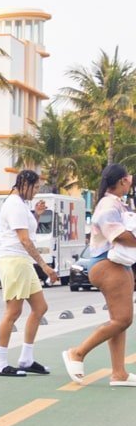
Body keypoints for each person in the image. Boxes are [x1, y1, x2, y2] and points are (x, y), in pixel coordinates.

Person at [64, 164, 136, 386]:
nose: (131, 180)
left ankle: (119, 373)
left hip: (112, 264)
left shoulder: (115, 203)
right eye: (128, 178)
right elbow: (119, 234)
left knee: (118, 320)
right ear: (122, 181)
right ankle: (77, 352)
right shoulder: (108, 205)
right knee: (123, 319)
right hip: (108, 264)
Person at [0, 170, 57, 377]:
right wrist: (44, 266)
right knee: (13, 312)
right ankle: (0, 363)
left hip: (22, 261)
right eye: (36, 188)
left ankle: (26, 359)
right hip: (14, 260)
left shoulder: (21, 206)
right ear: (24, 184)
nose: (36, 193)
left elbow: (27, 233)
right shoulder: (14, 205)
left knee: (40, 307)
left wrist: (36, 215)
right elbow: (24, 240)